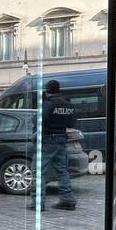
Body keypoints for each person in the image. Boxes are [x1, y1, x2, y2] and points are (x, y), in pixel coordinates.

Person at [30, 79, 77, 210]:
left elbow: (37, 120)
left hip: (47, 140)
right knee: (62, 171)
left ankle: (38, 203)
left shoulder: (48, 104)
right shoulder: (68, 105)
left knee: (38, 171)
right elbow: (72, 123)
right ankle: (67, 200)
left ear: (47, 91)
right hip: (61, 139)